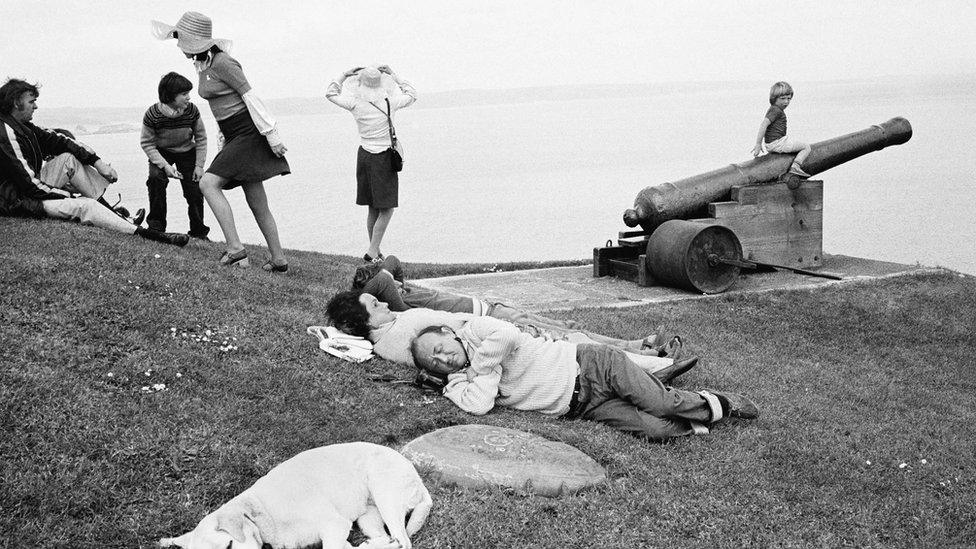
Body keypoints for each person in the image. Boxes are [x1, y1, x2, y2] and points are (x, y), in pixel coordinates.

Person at [410, 317, 759, 441]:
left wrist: (481, 367)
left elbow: (508, 337)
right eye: (435, 362)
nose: (443, 358)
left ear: (447, 332)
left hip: (591, 365)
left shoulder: (476, 330)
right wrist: (473, 373)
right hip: (584, 407)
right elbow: (480, 405)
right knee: (656, 430)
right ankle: (694, 413)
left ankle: (720, 403)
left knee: (660, 403)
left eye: (439, 347)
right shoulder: (457, 384)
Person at [153, 11, 290, 271]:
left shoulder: (224, 63)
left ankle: (236, 250)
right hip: (233, 134)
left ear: (194, 40)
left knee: (207, 183)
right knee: (256, 199)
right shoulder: (202, 65)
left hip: (248, 133)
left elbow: (249, 97)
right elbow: (221, 108)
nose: (179, 45)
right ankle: (279, 260)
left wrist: (272, 135)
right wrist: (223, 139)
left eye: (181, 39)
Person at [353, 255, 678, 354]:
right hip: (493, 316)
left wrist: (393, 278)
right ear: (377, 292)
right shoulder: (402, 308)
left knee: (568, 330)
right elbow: (383, 275)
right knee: (567, 337)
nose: (394, 279)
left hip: (492, 306)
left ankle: (638, 345)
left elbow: (392, 263)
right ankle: (639, 352)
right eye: (386, 283)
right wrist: (374, 287)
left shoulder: (399, 290)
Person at [325, 290, 695, 376]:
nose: (384, 304)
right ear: (363, 322)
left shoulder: (390, 330)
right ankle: (651, 366)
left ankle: (649, 360)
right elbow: (458, 337)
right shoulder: (398, 333)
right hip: (500, 337)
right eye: (374, 305)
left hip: (496, 331)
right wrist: (517, 329)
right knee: (573, 343)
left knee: (574, 339)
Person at [0, 78, 187, 246]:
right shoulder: (5, 133)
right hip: (17, 201)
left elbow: (61, 140)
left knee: (68, 160)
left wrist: (98, 162)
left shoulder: (24, 127)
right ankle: (150, 235)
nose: (36, 106)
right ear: (16, 103)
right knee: (86, 206)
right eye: (32, 102)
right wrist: (69, 196)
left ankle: (117, 216)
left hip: (25, 191)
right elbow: (29, 185)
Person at [326, 65, 417, 262]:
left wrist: (343, 74)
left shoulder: (355, 103)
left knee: (373, 208)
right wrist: (395, 75)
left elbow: (330, 93)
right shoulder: (390, 102)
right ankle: (372, 251)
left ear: (360, 84)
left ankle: (374, 250)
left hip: (365, 156)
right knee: (387, 208)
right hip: (383, 158)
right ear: (381, 83)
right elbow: (412, 94)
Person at [140, 71, 210, 240]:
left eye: (189, 94)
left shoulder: (192, 111)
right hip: (162, 152)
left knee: (194, 189)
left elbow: (201, 138)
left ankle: (198, 231)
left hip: (187, 151)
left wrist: (199, 166)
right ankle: (156, 228)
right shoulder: (153, 114)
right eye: (184, 94)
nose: (189, 98)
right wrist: (165, 166)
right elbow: (147, 143)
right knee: (156, 180)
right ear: (171, 96)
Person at [751, 81, 811, 179]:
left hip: (772, 144)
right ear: (774, 99)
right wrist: (758, 144)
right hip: (778, 143)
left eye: (789, 99)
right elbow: (763, 124)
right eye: (782, 99)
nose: (786, 102)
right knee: (806, 147)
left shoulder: (775, 109)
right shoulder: (776, 110)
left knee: (794, 143)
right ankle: (796, 166)